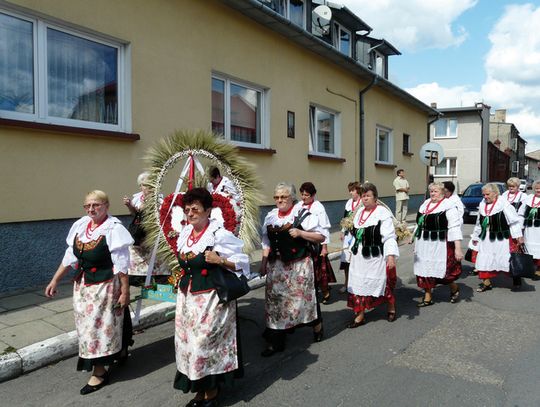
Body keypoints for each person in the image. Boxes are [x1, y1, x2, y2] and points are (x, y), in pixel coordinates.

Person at [45, 190, 134, 395]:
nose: (92, 209)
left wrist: (125, 291)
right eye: (88, 206)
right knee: (87, 327)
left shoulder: (113, 228)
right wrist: (55, 279)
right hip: (84, 288)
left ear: (106, 206)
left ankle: (99, 372)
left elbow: (122, 264)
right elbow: (70, 256)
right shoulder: (81, 226)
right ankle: (119, 352)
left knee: (98, 329)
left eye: (96, 205)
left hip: (105, 287)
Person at [172, 188, 249, 407]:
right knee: (188, 344)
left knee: (203, 343)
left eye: (195, 209)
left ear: (208, 210)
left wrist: (220, 260)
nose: (190, 213)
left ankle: (212, 390)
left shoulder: (218, 234)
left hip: (211, 299)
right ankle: (200, 389)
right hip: (187, 300)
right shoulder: (185, 234)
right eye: (187, 210)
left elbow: (242, 264)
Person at [260, 182, 326, 356]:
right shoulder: (271, 216)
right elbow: (266, 241)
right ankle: (275, 340)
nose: (279, 200)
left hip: (299, 266)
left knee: (304, 301)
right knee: (275, 302)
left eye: (283, 196)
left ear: (292, 198)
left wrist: (301, 233)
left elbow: (320, 236)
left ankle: (317, 325)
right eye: (277, 197)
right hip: (277, 266)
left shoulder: (302, 213)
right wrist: (263, 262)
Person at [346, 183, 399, 327]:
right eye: (363, 196)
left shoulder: (382, 213)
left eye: (368, 196)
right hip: (360, 257)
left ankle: (391, 307)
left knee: (382, 284)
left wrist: (390, 256)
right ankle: (360, 314)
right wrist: (351, 252)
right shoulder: (358, 214)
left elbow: (389, 237)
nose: (365, 199)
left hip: (376, 256)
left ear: (375, 197)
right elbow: (356, 237)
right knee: (359, 285)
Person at [413, 182, 464, 306]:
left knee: (444, 271)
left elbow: (454, 227)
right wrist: (413, 237)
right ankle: (427, 296)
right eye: (431, 191)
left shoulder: (448, 206)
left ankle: (454, 287)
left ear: (442, 193)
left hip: (441, 243)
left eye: (435, 191)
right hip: (424, 242)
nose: (432, 194)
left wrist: (458, 248)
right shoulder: (425, 205)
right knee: (424, 269)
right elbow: (420, 224)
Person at [471, 183, 523, 292]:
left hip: (501, 238)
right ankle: (486, 283)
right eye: (483, 195)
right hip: (486, 238)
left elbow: (513, 222)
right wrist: (475, 237)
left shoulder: (503, 204)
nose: (485, 197)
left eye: (487, 194)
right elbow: (478, 223)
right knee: (484, 259)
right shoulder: (482, 205)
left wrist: (518, 236)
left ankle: (516, 277)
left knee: (507, 260)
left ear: (495, 193)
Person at [123, 172, 169, 283]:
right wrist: (130, 205)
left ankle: (159, 280)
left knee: (156, 257)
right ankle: (139, 279)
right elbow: (135, 214)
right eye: (144, 185)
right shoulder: (138, 198)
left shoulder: (158, 199)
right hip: (139, 232)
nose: (146, 188)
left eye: (149, 185)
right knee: (137, 255)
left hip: (153, 231)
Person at [296, 182, 335, 304]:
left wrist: (324, 248)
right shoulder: (299, 205)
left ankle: (325, 292)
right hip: (302, 242)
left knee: (319, 271)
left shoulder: (318, 207)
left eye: (306, 195)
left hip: (315, 243)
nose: (303, 197)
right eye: (302, 194)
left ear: (313, 195)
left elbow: (324, 228)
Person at [339, 182, 362, 294]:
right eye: (350, 190)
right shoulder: (349, 203)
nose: (351, 193)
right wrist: (342, 231)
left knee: (357, 261)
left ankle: (357, 284)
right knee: (346, 261)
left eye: (352, 190)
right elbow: (345, 217)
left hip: (358, 235)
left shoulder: (362, 203)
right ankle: (346, 283)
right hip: (348, 235)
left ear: (358, 191)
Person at [518, 179, 540, 280]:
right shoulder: (528, 198)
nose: (538, 190)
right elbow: (521, 213)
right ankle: (530, 268)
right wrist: (520, 227)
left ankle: (538, 270)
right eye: (536, 189)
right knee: (529, 249)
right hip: (529, 229)